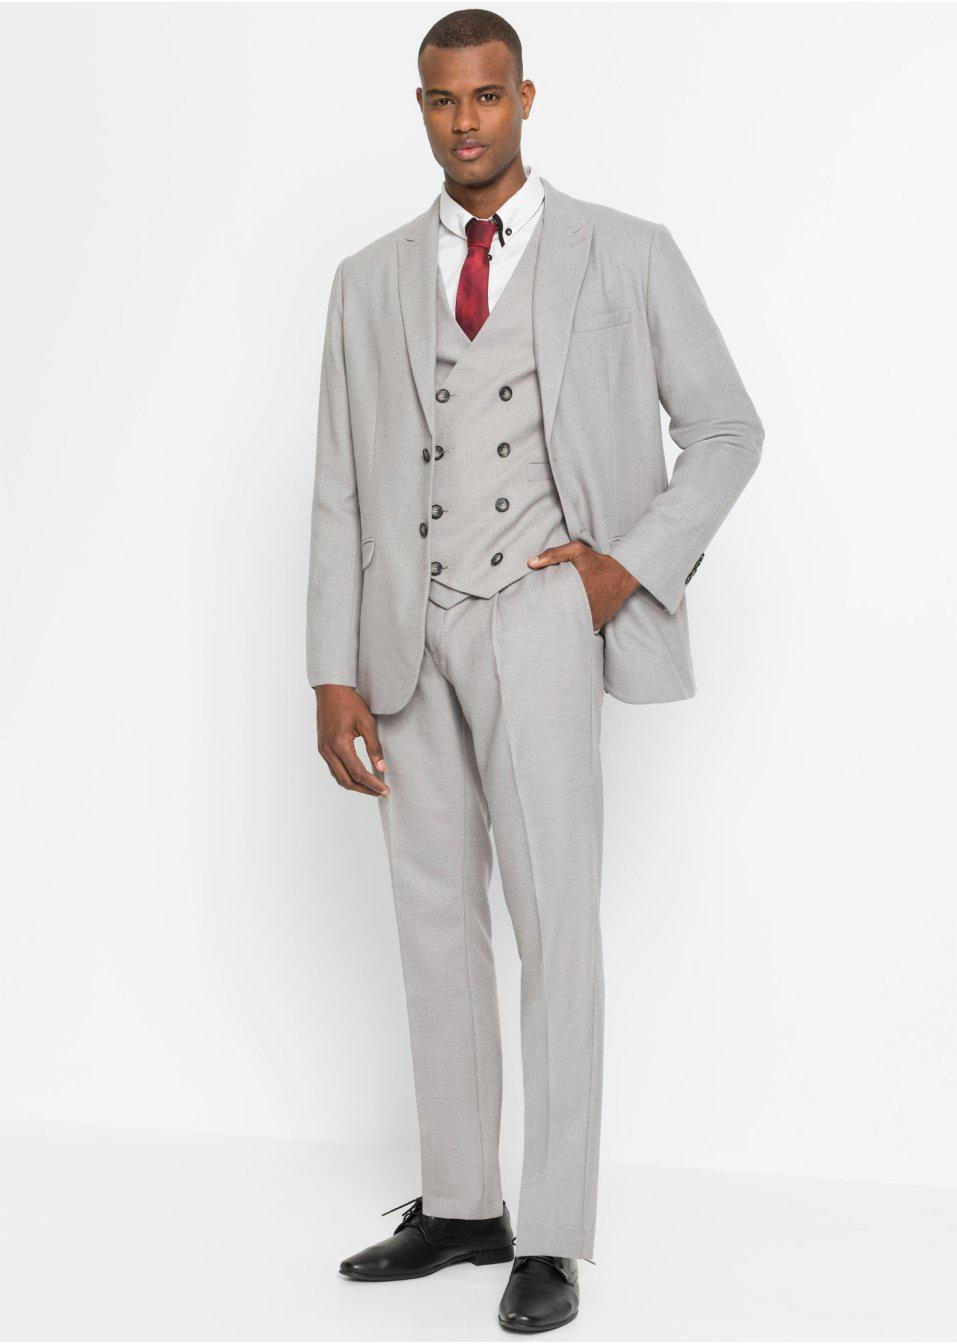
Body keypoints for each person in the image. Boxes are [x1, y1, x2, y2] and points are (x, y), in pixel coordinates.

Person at [306, 8, 763, 1333]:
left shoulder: (626, 252)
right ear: (421, 107)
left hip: (544, 618)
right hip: (405, 630)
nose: (467, 122)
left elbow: (727, 429)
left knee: (557, 921)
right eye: (443, 100)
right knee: (432, 917)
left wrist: (626, 567)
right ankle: (462, 1205)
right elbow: (339, 484)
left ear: (524, 99)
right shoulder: (367, 279)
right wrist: (330, 668)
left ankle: (552, 1232)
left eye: (488, 97)